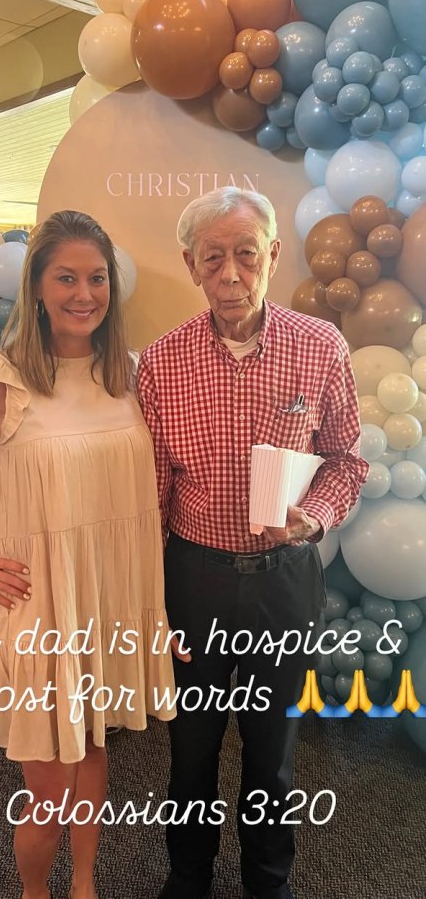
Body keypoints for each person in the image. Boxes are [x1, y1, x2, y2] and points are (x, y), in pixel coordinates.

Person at [0, 210, 175, 899]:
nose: (84, 293)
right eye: (65, 277)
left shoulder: (130, 375)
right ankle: (34, 892)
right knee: (48, 791)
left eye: (97, 277)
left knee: (94, 744)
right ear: (36, 289)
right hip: (40, 607)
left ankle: (83, 885)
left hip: (106, 602)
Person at [136, 187, 368, 899]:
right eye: (213, 258)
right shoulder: (160, 363)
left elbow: (348, 459)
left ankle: (270, 883)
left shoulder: (320, 345)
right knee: (191, 750)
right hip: (194, 577)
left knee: (273, 754)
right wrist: (150, 602)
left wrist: (316, 516)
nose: (230, 274)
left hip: (283, 578)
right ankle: (187, 878)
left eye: (246, 254)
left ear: (272, 253)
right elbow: (151, 495)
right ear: (191, 265)